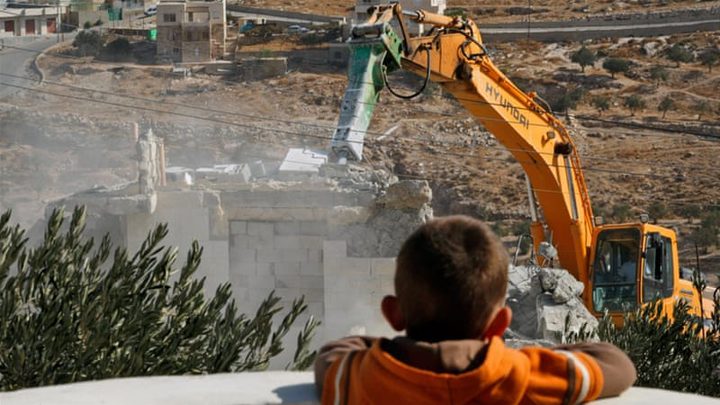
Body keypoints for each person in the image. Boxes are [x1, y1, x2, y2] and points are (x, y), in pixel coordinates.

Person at [314, 215, 636, 404]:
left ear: (393, 313)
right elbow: (617, 365)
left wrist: (386, 348)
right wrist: (535, 354)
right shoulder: (521, 376)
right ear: (500, 324)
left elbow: (330, 357)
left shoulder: (366, 377)